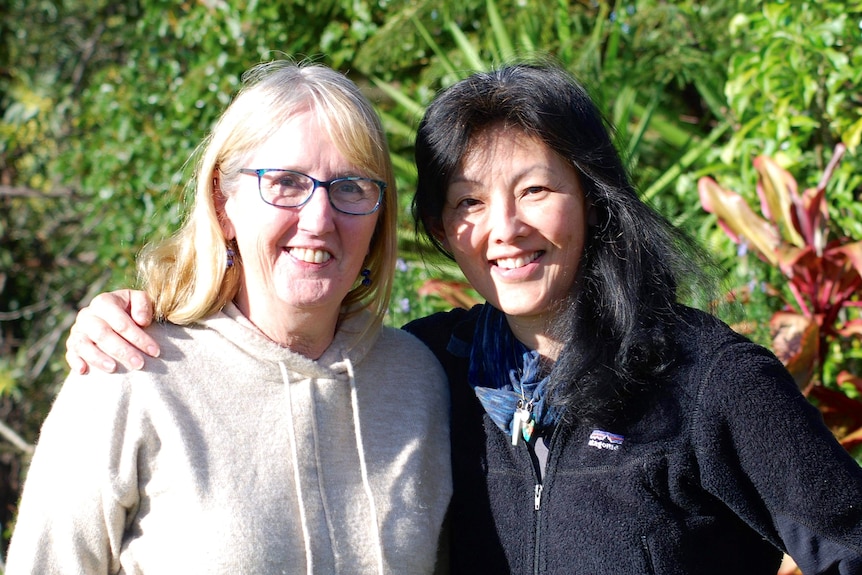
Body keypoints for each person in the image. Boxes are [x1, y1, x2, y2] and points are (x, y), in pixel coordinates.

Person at [64, 62, 862, 574]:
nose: (504, 228)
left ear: (594, 199)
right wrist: (125, 316)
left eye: (536, 190)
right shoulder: (429, 372)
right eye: (470, 202)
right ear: (444, 232)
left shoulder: (706, 379)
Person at [7, 60, 452, 575]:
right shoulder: (129, 372)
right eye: (285, 182)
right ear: (224, 203)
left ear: (378, 217)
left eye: (351, 187)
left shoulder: (418, 382)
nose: (319, 219)